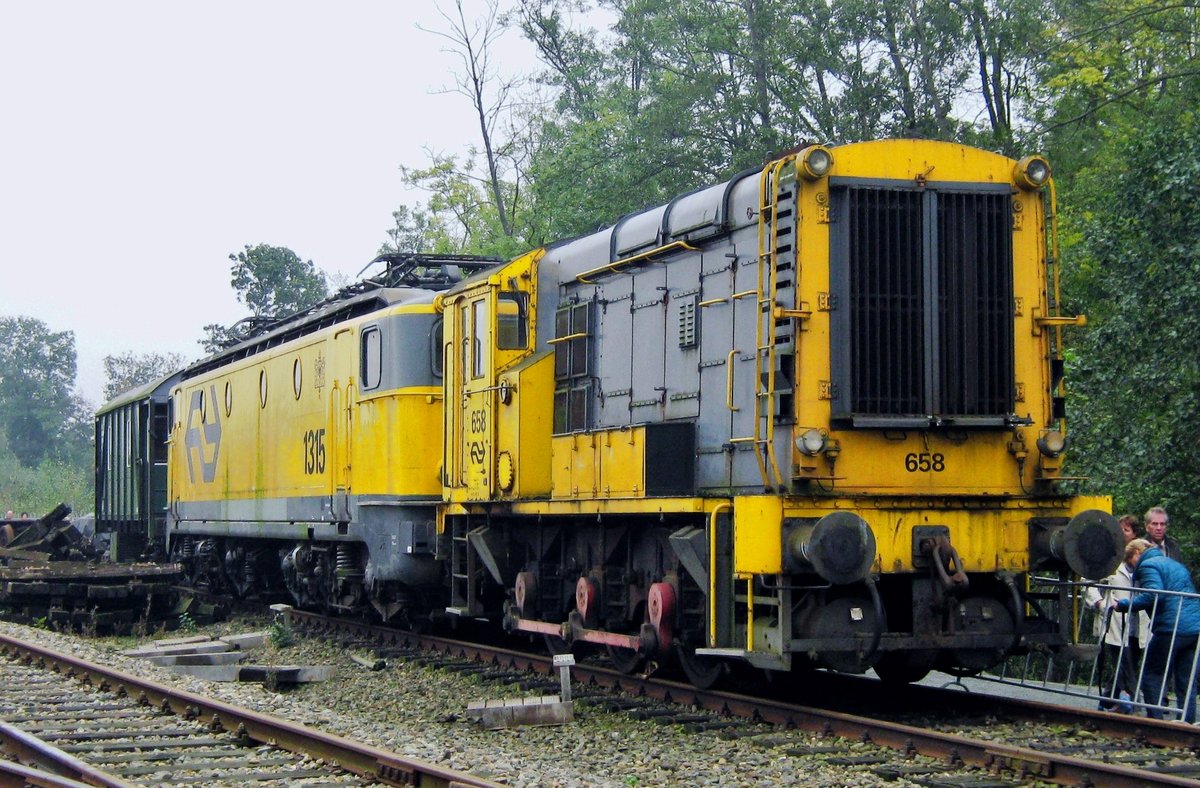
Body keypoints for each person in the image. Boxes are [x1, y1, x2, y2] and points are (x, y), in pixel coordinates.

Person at [1114, 538, 1200, 722]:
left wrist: (1124, 605)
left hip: (1171, 627)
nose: (1132, 567)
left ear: (1137, 553)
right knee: (1186, 680)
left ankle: (1155, 722)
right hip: (1194, 629)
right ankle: (1188, 724)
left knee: (1152, 674)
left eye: (1130, 562)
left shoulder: (1148, 565)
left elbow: (1153, 595)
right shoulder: (1171, 563)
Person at [1086, 517, 1149, 711]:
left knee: (1128, 663)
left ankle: (1106, 701)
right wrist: (1100, 603)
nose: (1122, 534)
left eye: (1127, 530)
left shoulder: (1146, 563)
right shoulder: (1108, 558)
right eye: (1119, 529)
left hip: (1138, 624)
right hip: (1115, 623)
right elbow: (1088, 580)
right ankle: (1134, 702)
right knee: (1124, 663)